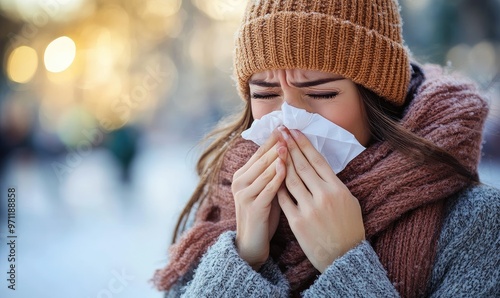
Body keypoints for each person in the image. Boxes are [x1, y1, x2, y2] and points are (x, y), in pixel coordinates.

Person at [152, 0, 500, 297]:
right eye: (264, 94)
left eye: (321, 93)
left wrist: (344, 262)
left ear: (376, 98)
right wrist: (243, 257)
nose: (289, 119)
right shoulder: (223, 205)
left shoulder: (474, 223)